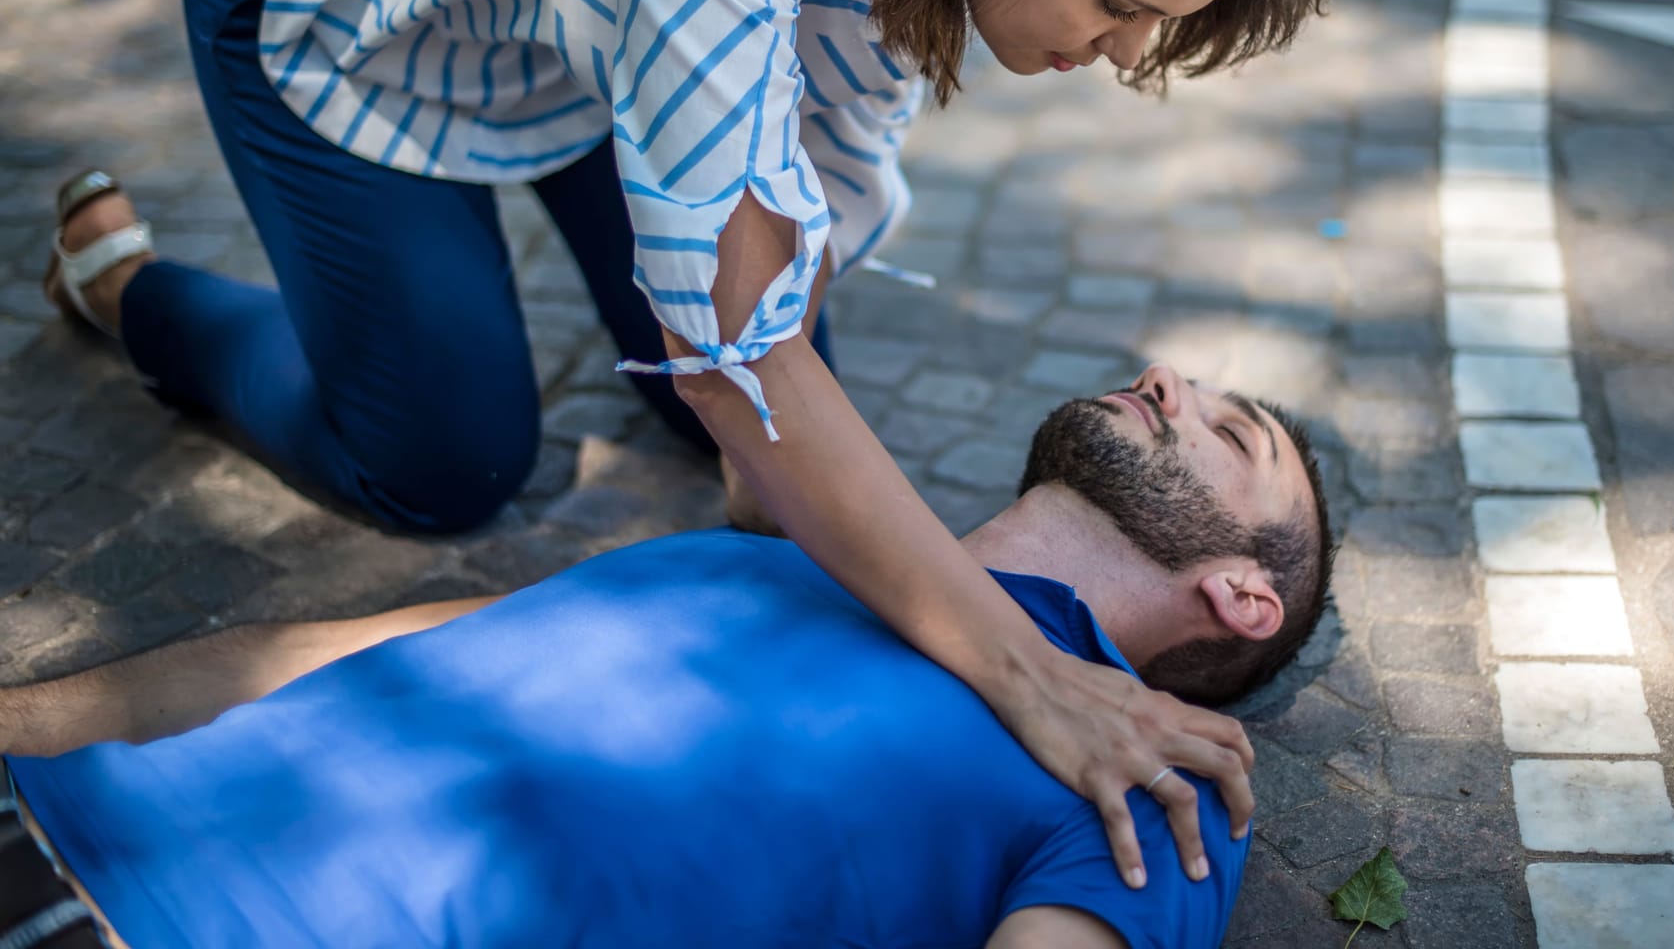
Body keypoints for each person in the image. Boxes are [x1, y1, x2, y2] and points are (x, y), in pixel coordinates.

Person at [36, 0, 1328, 883]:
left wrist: (798, 537)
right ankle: (125, 288)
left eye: (1161, 23)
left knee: (763, 429)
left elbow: (790, 222)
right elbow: (734, 350)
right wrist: (1022, 675)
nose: (1126, 51)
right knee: (442, 466)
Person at [0, 364, 1333, 949]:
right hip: (52, 827)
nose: (1169, 380)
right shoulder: (786, 546)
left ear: (1241, 596)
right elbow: (325, 660)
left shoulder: (1162, 777)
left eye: (1233, 435)